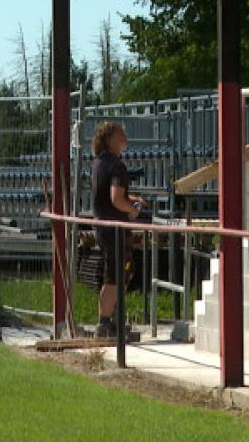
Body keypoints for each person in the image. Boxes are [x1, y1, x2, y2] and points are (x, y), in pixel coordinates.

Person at [90, 121, 146, 338]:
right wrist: (132, 211)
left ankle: (110, 320)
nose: (125, 135)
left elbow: (108, 195)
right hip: (114, 227)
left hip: (102, 226)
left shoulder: (98, 163)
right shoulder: (117, 166)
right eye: (120, 133)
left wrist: (132, 199)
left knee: (117, 273)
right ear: (110, 138)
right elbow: (115, 199)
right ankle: (106, 323)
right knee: (115, 275)